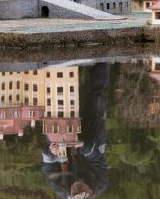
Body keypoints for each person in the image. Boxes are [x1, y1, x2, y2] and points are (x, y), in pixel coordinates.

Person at [41, 62, 110, 198]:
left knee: (60, 104)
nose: (78, 187)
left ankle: (58, 67)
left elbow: (47, 167)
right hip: (92, 138)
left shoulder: (60, 189)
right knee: (96, 97)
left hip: (62, 138)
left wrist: (51, 152)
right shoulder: (101, 183)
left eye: (75, 191)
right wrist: (82, 145)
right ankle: (101, 60)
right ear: (90, 192)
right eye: (82, 189)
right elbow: (97, 158)